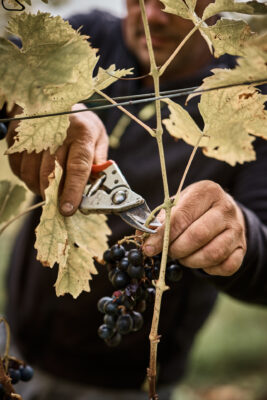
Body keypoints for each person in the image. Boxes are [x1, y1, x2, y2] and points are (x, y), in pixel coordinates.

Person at [4, 1, 267, 399]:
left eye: (175, 2)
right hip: (13, 347)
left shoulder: (249, 98)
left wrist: (240, 233)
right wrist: (32, 101)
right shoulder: (84, 39)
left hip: (128, 385)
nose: (153, 15)